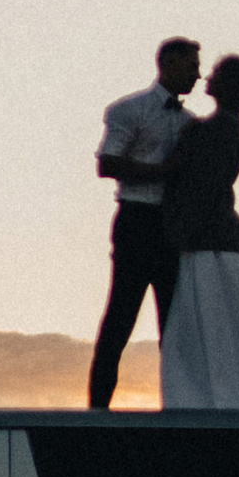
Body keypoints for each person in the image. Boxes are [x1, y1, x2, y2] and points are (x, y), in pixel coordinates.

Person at [159, 54, 239, 410]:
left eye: (215, 73)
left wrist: (180, 232)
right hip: (211, 237)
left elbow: (204, 185)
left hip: (208, 241)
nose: (207, 77)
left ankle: (211, 401)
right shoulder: (219, 127)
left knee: (207, 324)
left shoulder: (218, 129)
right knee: (221, 326)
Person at [87, 36, 200, 410]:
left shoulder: (190, 124)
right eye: (191, 66)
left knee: (174, 325)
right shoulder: (129, 109)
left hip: (170, 227)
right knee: (120, 317)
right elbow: (108, 163)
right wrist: (164, 171)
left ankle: (179, 406)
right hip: (136, 220)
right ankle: (98, 409)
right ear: (168, 64)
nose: (198, 75)